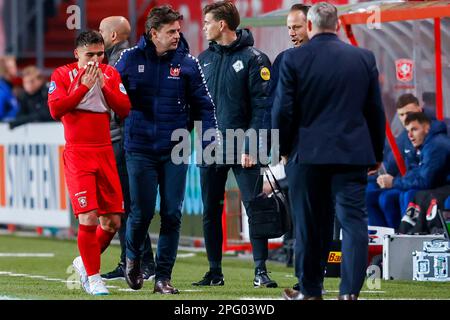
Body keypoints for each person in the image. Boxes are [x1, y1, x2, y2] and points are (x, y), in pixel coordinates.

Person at [272, 2, 385, 300]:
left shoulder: (293, 60)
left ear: (309, 25)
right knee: (353, 223)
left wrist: (283, 150)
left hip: (307, 155)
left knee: (308, 225)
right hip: (352, 155)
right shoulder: (363, 58)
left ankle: (309, 292)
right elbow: (375, 111)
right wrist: (377, 154)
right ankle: (349, 294)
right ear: (337, 25)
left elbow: (282, 111)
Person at [115, 5, 218, 294]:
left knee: (172, 213)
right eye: (171, 31)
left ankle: (163, 278)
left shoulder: (188, 63)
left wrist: (210, 138)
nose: (177, 36)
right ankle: (133, 258)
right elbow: (110, 94)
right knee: (142, 212)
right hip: (139, 149)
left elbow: (205, 106)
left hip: (176, 149)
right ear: (153, 33)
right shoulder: (128, 59)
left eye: (178, 30)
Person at [192, 0, 277, 289]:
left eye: (207, 22)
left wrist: (251, 146)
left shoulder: (255, 59)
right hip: (209, 145)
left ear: (222, 24)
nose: (203, 27)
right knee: (210, 210)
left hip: (244, 147)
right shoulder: (202, 59)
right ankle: (214, 272)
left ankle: (260, 271)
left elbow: (263, 107)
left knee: (254, 206)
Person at [48, 30, 131, 296]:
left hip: (105, 151)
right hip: (78, 153)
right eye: (89, 55)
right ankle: (93, 278)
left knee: (112, 223)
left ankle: (83, 263)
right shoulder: (62, 74)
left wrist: (104, 85)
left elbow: (124, 108)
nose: (96, 60)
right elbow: (56, 109)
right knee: (89, 217)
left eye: (100, 54)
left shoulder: (111, 73)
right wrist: (84, 86)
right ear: (77, 54)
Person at [98, 15, 155, 282]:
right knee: (124, 206)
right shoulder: (116, 58)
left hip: (122, 139)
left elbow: (124, 102)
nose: (98, 35)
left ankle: (143, 262)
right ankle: (128, 261)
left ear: (112, 36)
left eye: (101, 31)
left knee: (130, 206)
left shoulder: (122, 60)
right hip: (118, 138)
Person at [367, 94, 447, 228]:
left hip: (432, 186)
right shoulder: (405, 136)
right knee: (370, 194)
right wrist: (375, 175)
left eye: (409, 113)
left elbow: (426, 179)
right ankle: (380, 240)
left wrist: (395, 182)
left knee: (403, 196)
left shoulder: (435, 141)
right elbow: (391, 165)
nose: (405, 119)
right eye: (401, 115)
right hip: (412, 182)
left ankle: (402, 236)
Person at [0, 56, 19, 122]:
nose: (16, 69)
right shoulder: (1, 88)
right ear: (5, 69)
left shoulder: (9, 86)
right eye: (13, 67)